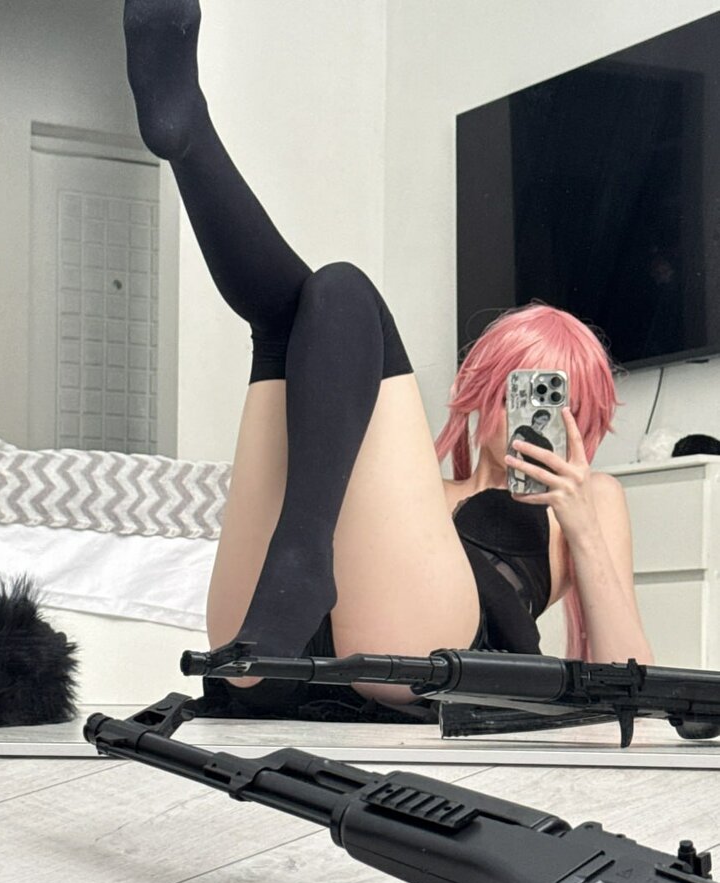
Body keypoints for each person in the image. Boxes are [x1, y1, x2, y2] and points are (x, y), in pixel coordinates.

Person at [123, 0, 653, 717]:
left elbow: (630, 680)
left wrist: (580, 528)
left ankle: (194, 137)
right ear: (482, 390)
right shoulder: (414, 485)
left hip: (427, 658)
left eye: (559, 400)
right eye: (517, 388)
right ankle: (184, 131)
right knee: (315, 306)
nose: (531, 417)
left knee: (340, 292)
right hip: (273, 647)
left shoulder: (591, 502)